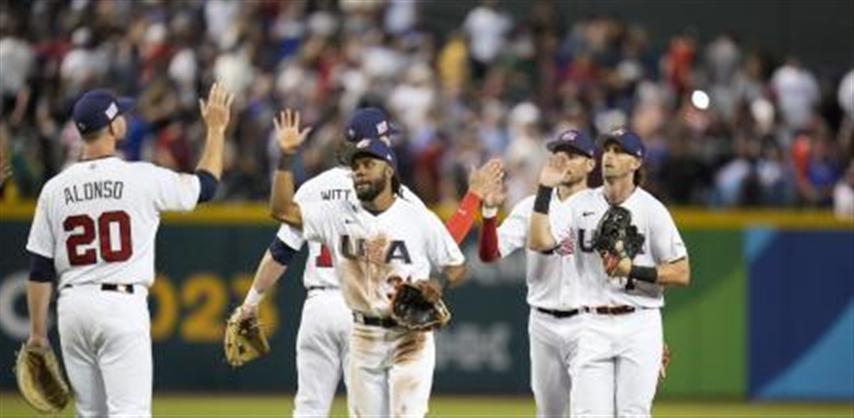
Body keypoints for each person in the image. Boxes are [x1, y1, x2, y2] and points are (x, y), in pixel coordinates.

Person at [234, 107, 502, 417]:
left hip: (319, 307)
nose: (390, 142)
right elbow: (442, 243)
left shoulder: (315, 188)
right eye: (386, 137)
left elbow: (280, 251)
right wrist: (472, 199)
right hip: (362, 311)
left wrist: (251, 302)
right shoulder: (398, 197)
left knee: (309, 407)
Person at [25, 83, 233, 417]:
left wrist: (37, 334)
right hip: (120, 306)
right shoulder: (141, 177)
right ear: (112, 126)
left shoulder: (54, 188)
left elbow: (39, 269)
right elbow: (206, 188)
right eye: (120, 114)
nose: (125, 118)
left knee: (90, 414)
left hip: (72, 308)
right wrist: (216, 129)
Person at [529, 128, 690, 417]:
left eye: (619, 151)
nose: (609, 157)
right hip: (590, 323)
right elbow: (540, 241)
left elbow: (681, 272)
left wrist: (633, 270)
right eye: (607, 150)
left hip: (640, 322)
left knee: (633, 414)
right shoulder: (580, 204)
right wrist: (543, 190)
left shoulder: (652, 210)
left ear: (636, 163)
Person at [479, 129, 596, 417]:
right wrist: (489, 215)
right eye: (557, 155)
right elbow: (489, 254)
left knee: (590, 411)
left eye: (571, 156)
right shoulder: (530, 207)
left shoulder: (604, 206)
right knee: (549, 413)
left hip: (589, 322)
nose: (562, 161)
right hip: (543, 323)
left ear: (590, 164)